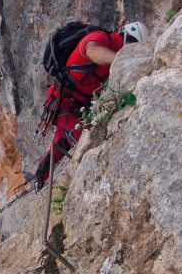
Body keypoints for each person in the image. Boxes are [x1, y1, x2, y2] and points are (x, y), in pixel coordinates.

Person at [34, 21, 150, 190]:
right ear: (127, 37)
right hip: (65, 99)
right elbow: (92, 51)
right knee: (74, 135)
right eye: (131, 44)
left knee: (68, 138)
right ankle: (40, 178)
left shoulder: (113, 50)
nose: (130, 48)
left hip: (79, 102)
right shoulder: (100, 38)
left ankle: (39, 178)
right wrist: (121, 59)